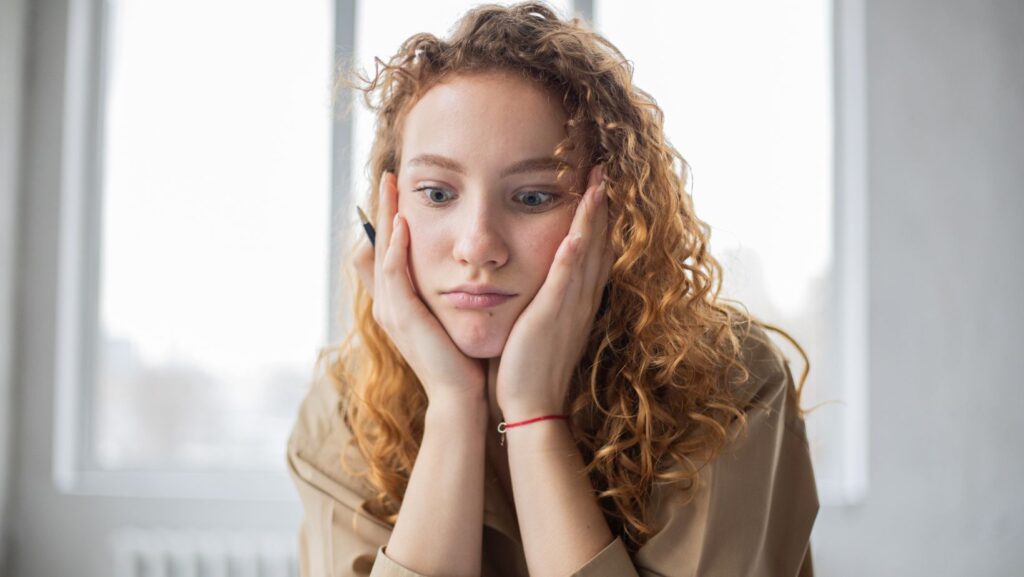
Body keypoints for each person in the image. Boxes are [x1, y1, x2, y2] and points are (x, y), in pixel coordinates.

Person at [287, 3, 820, 576]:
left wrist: (534, 418)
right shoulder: (344, 411)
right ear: (390, 216)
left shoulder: (728, 390)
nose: (478, 245)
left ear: (614, 215)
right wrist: (453, 407)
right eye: (438, 194)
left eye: (534, 197)